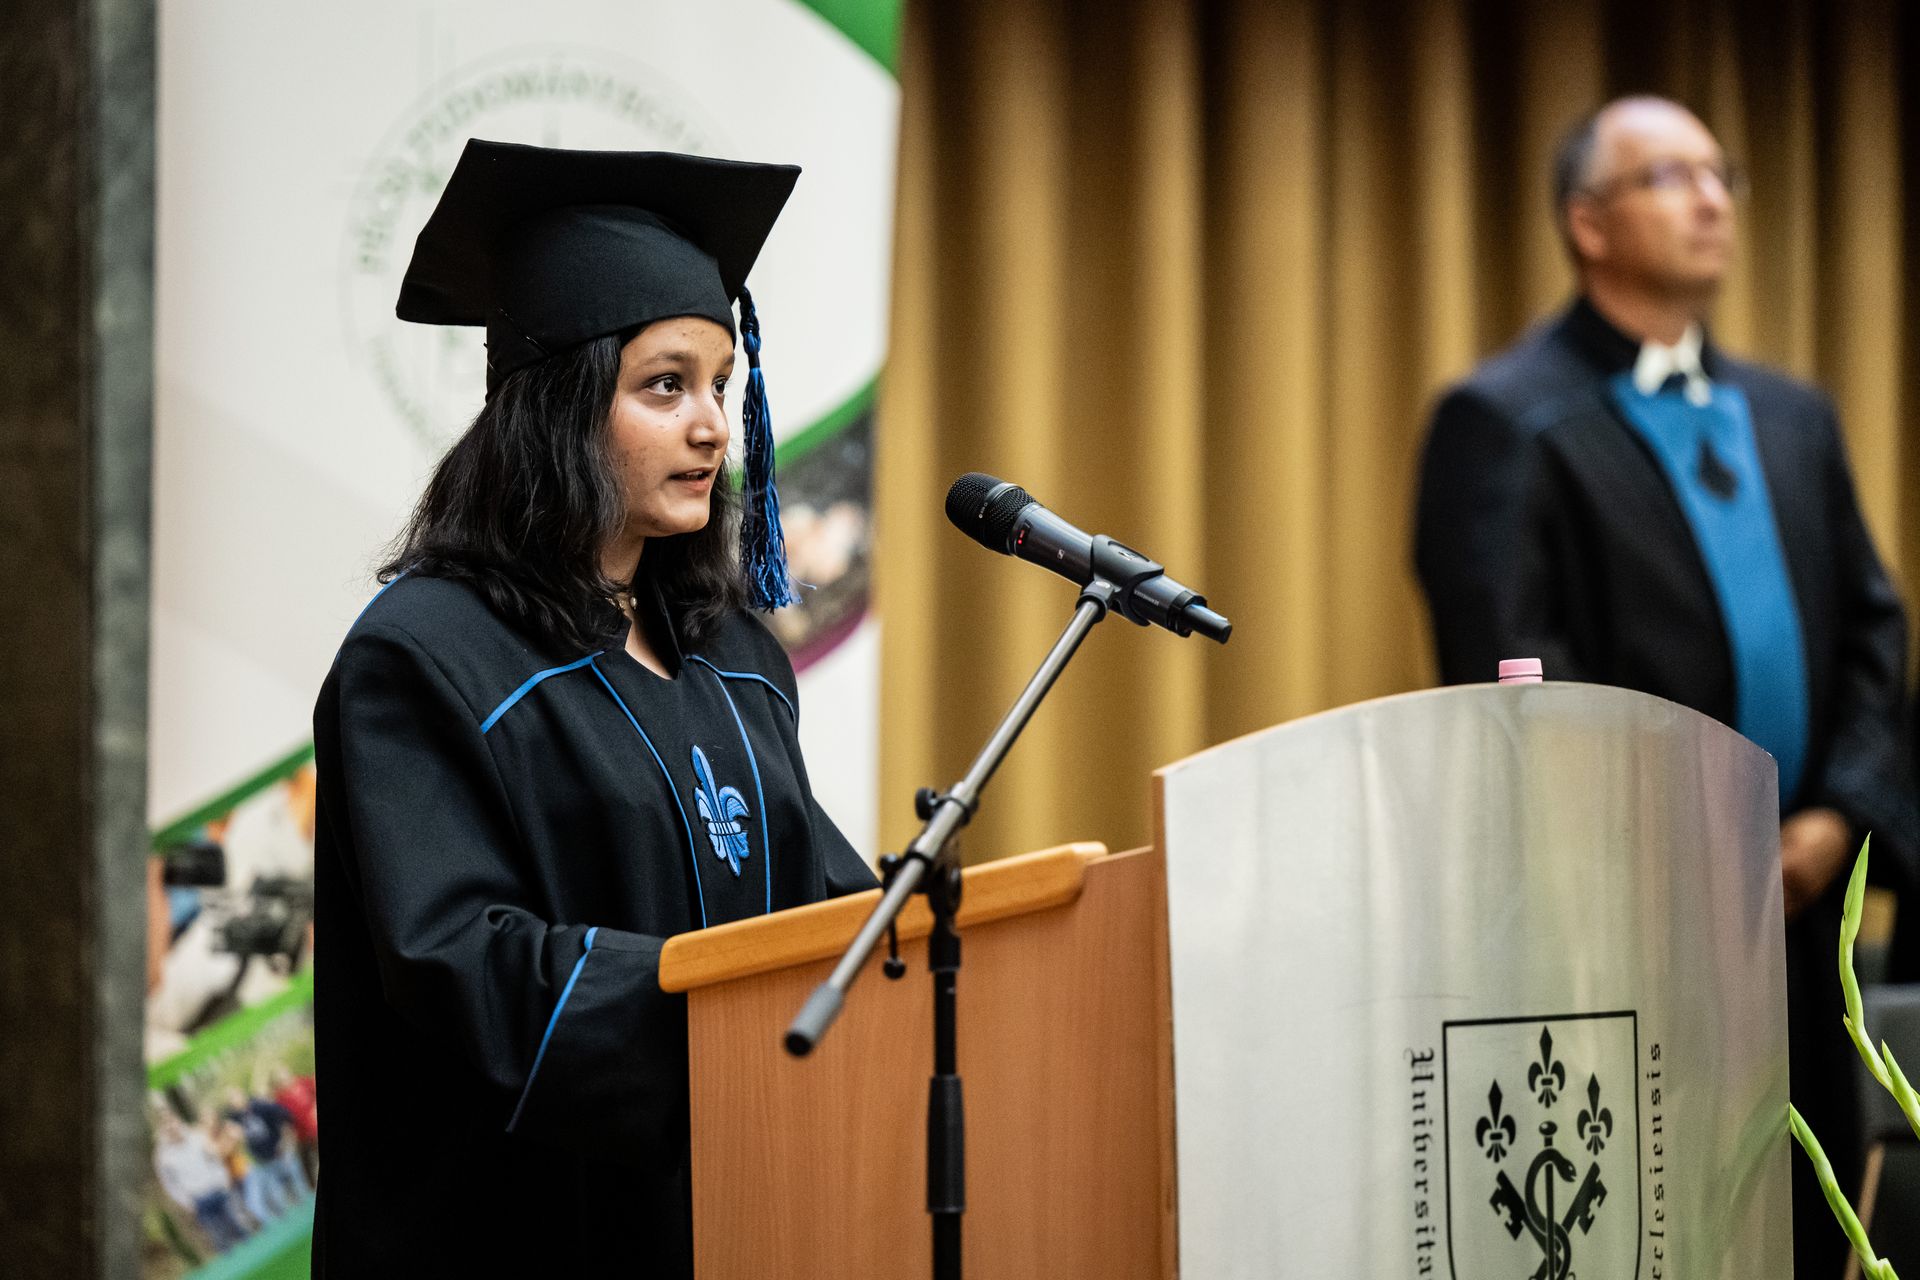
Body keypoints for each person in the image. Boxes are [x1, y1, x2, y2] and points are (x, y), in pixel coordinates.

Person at [311, 141, 877, 1276]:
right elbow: (458, 962)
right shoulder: (423, 657)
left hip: (739, 1226)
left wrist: (916, 948)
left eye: (720, 384)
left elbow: (821, 905)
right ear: (562, 405)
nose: (712, 426)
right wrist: (722, 1021)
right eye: (665, 385)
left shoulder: (734, 656)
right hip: (516, 1242)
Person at [1414, 96, 1914, 1278]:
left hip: (1799, 910)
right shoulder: (1505, 419)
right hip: (1619, 924)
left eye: (1720, 173)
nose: (1712, 198)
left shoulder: (1792, 415)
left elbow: (1875, 629)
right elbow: (1512, 669)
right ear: (1588, 223)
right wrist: (1692, 839)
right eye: (1672, 176)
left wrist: (1835, 816)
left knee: (1807, 1221)